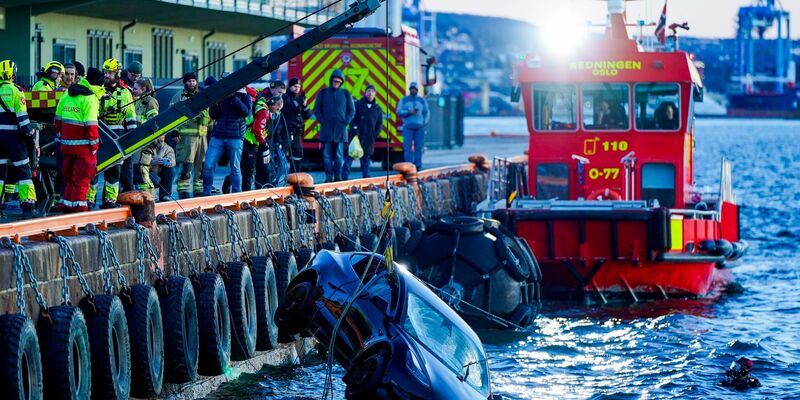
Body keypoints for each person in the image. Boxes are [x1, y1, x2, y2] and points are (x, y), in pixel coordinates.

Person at [54, 67, 104, 213]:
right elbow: (91, 125)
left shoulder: (68, 93)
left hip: (66, 144)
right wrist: (94, 146)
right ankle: (80, 209)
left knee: (69, 176)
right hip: (83, 147)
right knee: (82, 178)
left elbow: (58, 118)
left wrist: (61, 134)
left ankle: (67, 205)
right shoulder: (91, 97)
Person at [89, 58, 137, 209]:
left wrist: (132, 137)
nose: (107, 75)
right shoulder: (97, 90)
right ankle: (89, 201)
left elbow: (131, 116)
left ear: (118, 73)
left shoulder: (126, 93)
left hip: (118, 134)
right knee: (94, 170)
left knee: (114, 172)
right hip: (99, 133)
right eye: (105, 72)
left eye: (110, 72)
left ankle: (110, 201)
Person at [0, 60, 39, 218]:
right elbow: (23, 120)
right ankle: (28, 206)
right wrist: (29, 136)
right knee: (23, 170)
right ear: (13, 74)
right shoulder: (16, 91)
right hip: (13, 139)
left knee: (0, 173)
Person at [201, 81, 251, 196]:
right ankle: (206, 192)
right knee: (208, 165)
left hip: (235, 137)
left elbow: (246, 112)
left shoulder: (245, 96)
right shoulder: (221, 96)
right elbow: (213, 115)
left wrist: (233, 97)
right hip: (218, 136)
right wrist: (216, 101)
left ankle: (236, 194)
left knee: (235, 168)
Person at [171, 72, 210, 198]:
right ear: (185, 82)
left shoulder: (202, 96)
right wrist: (174, 131)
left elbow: (210, 114)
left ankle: (198, 190)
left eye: (194, 81)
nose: (192, 83)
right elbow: (171, 115)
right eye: (189, 81)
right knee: (186, 165)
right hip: (186, 138)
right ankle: (183, 191)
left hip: (202, 137)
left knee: (201, 166)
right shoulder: (179, 97)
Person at [314, 69, 354, 182]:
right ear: (331, 80)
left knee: (338, 156)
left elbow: (351, 110)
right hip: (326, 130)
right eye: (334, 80)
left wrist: (346, 121)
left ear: (341, 82)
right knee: (327, 156)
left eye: (338, 81)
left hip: (340, 131)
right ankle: (328, 177)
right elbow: (317, 109)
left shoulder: (346, 93)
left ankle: (338, 176)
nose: (336, 82)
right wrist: (323, 121)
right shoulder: (323, 93)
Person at [342, 84, 382, 180]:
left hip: (369, 137)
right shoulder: (357, 104)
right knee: (351, 155)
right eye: (368, 91)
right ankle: (344, 176)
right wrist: (354, 129)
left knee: (366, 158)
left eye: (372, 91)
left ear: (375, 94)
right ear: (365, 92)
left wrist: (375, 134)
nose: (370, 93)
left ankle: (366, 177)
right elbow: (352, 118)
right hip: (357, 136)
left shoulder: (377, 108)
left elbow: (379, 123)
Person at [281, 77, 312, 171]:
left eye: (299, 86)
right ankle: (277, 178)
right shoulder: (284, 97)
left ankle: (294, 178)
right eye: (295, 86)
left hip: (296, 132)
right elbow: (286, 109)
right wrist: (298, 101)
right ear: (289, 86)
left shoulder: (299, 99)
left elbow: (307, 115)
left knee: (297, 154)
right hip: (285, 131)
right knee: (281, 154)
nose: (297, 88)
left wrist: (305, 105)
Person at [397, 81, 429, 170]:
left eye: (415, 89)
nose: (413, 90)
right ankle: (409, 165)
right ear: (409, 89)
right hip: (408, 127)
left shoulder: (422, 100)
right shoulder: (404, 100)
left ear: (417, 90)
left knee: (419, 147)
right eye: (412, 89)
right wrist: (408, 112)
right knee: (407, 147)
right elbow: (399, 111)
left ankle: (418, 165)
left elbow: (426, 112)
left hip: (419, 127)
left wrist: (424, 122)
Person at [135, 135, 175, 201]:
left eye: (163, 136)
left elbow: (173, 161)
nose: (162, 139)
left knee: (171, 171)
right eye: (160, 136)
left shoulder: (168, 148)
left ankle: (165, 195)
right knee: (153, 179)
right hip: (147, 172)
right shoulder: (147, 147)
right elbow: (141, 162)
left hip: (158, 172)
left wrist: (166, 162)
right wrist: (153, 162)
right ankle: (146, 194)